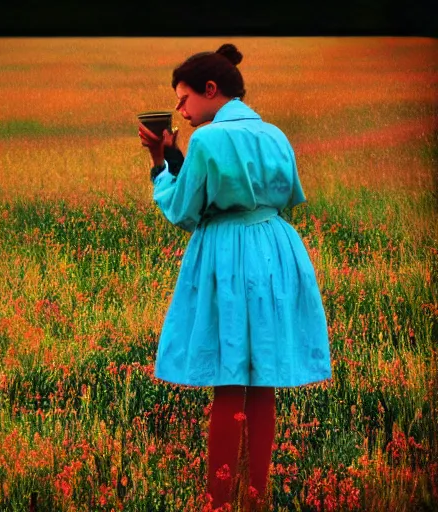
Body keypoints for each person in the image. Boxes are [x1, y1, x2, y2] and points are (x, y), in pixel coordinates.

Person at [138, 43, 332, 511]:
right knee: (261, 379)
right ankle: (255, 496)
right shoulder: (274, 133)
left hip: (229, 255)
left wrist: (160, 164)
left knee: (229, 379)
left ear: (211, 89)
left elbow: (186, 209)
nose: (181, 110)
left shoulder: (204, 140)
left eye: (184, 98)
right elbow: (288, 195)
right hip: (276, 250)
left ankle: (217, 501)